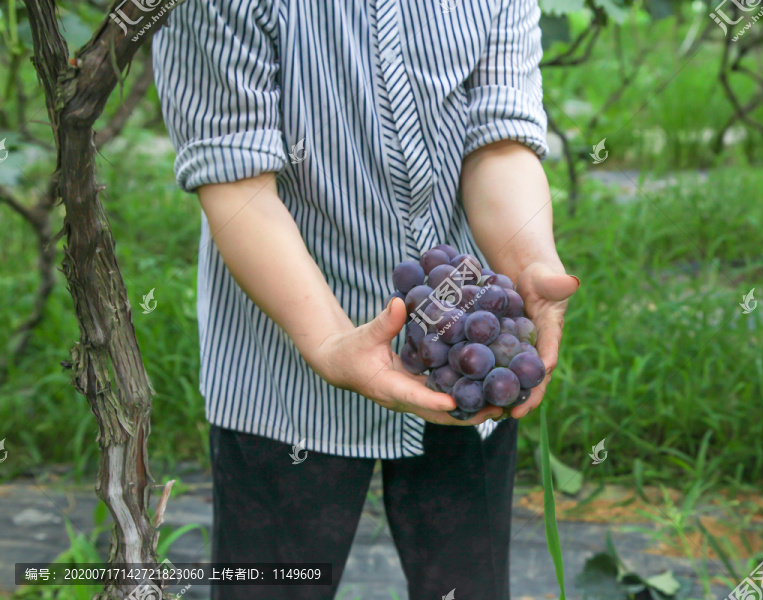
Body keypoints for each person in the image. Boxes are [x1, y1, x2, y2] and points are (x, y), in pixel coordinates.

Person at [151, 0, 578, 598]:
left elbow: (498, 140)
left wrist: (529, 259)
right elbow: (236, 177)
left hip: (463, 358)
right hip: (283, 371)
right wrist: (326, 339)